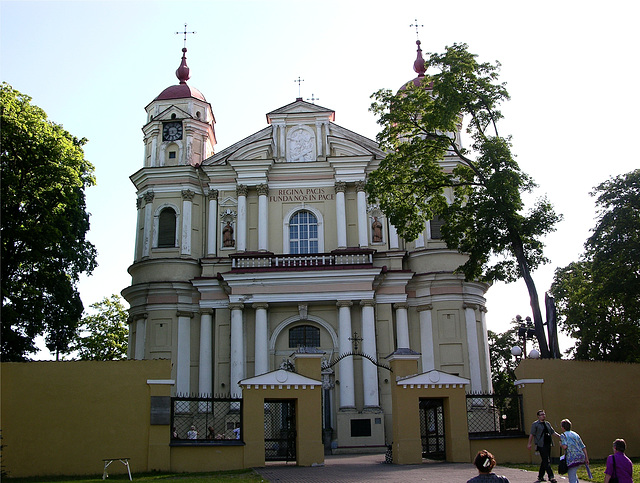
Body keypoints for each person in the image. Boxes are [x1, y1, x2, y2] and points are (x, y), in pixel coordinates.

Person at [527, 409, 561, 482]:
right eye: (541, 415)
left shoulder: (547, 424)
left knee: (544, 460)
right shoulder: (535, 424)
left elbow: (553, 432)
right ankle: (551, 476)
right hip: (541, 444)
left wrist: (560, 436)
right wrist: (529, 444)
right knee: (546, 460)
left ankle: (540, 476)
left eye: (544, 414)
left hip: (548, 443)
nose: (543, 416)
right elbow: (532, 434)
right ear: (538, 416)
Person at [559, 419, 589, 483]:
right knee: (574, 473)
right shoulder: (575, 434)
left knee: (572, 476)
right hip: (580, 456)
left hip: (571, 458)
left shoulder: (563, 435)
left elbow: (565, 447)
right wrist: (586, 458)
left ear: (563, 427)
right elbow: (583, 446)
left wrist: (561, 444)